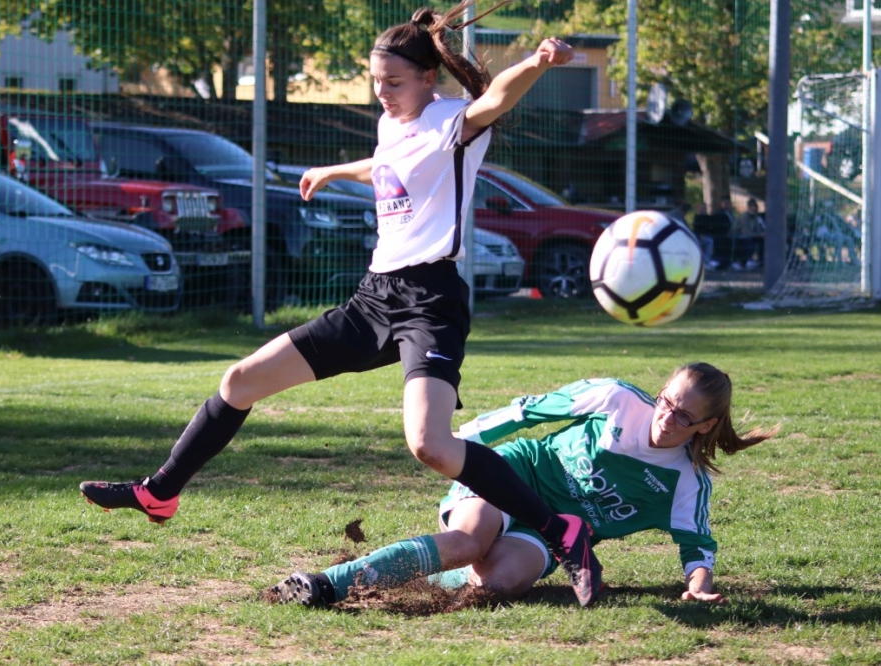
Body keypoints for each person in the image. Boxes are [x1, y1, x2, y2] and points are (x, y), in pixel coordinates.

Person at [79, 1, 605, 607]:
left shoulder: (453, 122)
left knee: (431, 445)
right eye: (376, 81)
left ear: (428, 79)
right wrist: (333, 170)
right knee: (240, 379)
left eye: (394, 82)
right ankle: (161, 491)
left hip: (429, 303)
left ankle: (561, 531)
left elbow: (497, 99)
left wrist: (538, 61)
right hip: (372, 298)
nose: (382, 92)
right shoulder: (393, 124)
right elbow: (387, 165)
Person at [270, 362, 779, 608]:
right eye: (666, 401)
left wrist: (700, 590)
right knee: (473, 540)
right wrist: (461, 443)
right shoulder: (616, 398)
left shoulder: (686, 482)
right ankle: (326, 584)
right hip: (514, 473)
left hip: (547, 531)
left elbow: (698, 548)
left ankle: (429, 571)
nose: (666, 418)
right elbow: (527, 412)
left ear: (707, 426)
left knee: (498, 582)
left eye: (684, 415)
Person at [732, 198, 765, 270]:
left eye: (756, 207)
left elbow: (758, 229)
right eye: (753, 206)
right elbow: (746, 232)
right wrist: (759, 235)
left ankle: (760, 260)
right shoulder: (744, 217)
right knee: (749, 241)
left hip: (751, 236)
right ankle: (743, 262)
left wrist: (761, 234)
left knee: (762, 241)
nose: (755, 208)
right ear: (749, 207)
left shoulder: (756, 217)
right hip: (738, 236)